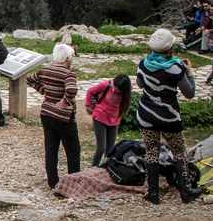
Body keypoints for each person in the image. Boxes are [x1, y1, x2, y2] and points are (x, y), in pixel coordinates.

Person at [137, 28, 202, 204]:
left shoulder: (143, 65)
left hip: (147, 115)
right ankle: (185, 192)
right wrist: (190, 72)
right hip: (169, 117)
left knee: (151, 151)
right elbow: (189, 93)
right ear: (170, 47)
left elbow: (140, 83)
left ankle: (153, 193)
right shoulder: (177, 68)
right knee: (179, 151)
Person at [26, 43, 80, 189]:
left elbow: (29, 79)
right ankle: (73, 182)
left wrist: (44, 91)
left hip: (47, 113)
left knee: (51, 148)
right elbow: (72, 90)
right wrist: (65, 101)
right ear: (67, 58)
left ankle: (52, 182)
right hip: (63, 115)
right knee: (72, 150)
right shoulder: (68, 73)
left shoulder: (45, 70)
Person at [85, 73, 133, 166]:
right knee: (101, 147)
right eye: (114, 87)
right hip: (100, 116)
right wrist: (87, 106)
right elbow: (90, 91)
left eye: (117, 90)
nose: (114, 90)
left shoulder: (128, 88)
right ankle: (93, 168)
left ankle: (106, 167)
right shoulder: (105, 85)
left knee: (110, 148)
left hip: (114, 119)